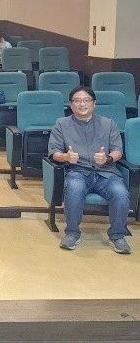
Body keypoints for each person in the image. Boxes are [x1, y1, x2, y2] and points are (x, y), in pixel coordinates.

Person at [48, 86, 130, 254]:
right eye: (77, 101)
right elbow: (53, 152)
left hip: (106, 173)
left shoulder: (109, 124)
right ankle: (72, 233)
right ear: (71, 105)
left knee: (120, 192)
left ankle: (117, 235)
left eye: (86, 100)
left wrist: (107, 158)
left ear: (94, 104)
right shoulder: (62, 124)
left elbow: (118, 151)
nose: (82, 104)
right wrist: (65, 157)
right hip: (78, 172)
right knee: (74, 188)